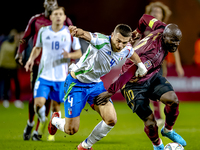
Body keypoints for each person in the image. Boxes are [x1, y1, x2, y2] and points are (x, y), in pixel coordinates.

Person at [48, 24, 147, 150]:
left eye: (124, 42)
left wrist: (140, 65)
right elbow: (85, 34)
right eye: (118, 41)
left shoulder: (126, 48)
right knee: (71, 129)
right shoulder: (101, 40)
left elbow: (133, 54)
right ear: (112, 36)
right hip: (76, 84)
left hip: (95, 85)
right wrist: (76, 31)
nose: (120, 45)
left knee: (111, 119)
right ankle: (55, 120)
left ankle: (85, 146)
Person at [96, 14, 187, 150]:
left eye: (178, 41)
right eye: (173, 41)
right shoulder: (152, 53)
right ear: (164, 37)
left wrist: (138, 31)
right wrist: (110, 92)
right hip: (132, 84)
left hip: (150, 76)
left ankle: (168, 130)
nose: (176, 44)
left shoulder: (162, 27)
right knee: (150, 123)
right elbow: (129, 72)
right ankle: (158, 146)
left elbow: (145, 18)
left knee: (173, 100)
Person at [15, 0, 73, 141]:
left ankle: (38, 130)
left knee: (50, 100)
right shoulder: (36, 20)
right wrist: (20, 53)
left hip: (58, 67)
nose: (51, 3)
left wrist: (72, 59)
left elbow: (74, 37)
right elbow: (25, 38)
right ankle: (30, 123)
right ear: (44, 4)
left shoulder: (66, 21)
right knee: (35, 99)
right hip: (38, 65)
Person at [25, 6, 82, 142]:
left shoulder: (70, 33)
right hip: (44, 75)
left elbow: (79, 53)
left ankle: (51, 133)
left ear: (64, 17)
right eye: (55, 14)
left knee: (56, 106)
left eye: (60, 14)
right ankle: (43, 121)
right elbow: (37, 48)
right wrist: (30, 60)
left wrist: (69, 55)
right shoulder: (43, 31)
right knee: (38, 104)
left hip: (61, 77)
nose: (57, 16)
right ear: (50, 17)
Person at [144, 1, 184, 126]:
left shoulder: (166, 30)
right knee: (149, 92)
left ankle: (160, 116)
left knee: (157, 91)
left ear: (162, 15)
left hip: (159, 65)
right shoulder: (144, 29)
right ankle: (157, 116)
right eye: (153, 11)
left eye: (158, 12)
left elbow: (174, 49)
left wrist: (178, 66)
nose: (155, 13)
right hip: (144, 65)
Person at [0, 29, 23, 108]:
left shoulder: (4, 44)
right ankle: (16, 100)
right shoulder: (15, 45)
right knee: (15, 84)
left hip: (4, 66)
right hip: (11, 67)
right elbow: (17, 57)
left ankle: (6, 100)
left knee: (7, 84)